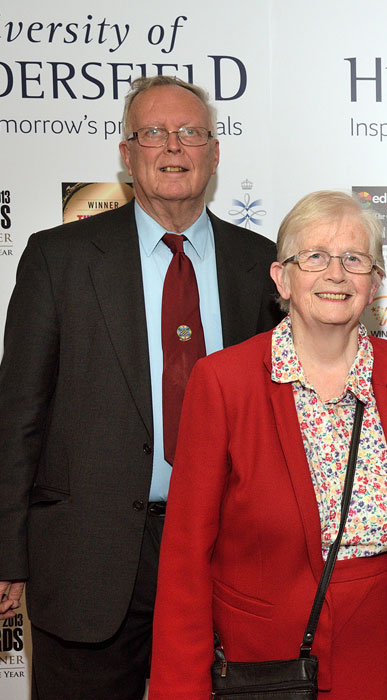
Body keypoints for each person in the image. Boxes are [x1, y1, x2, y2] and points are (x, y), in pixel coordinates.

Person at [0, 76, 280, 699]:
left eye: (191, 133)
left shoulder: (260, 265)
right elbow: (19, 413)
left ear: (215, 152)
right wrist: (7, 554)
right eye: (153, 133)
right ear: (126, 155)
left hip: (225, 553)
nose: (173, 147)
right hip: (86, 557)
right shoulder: (58, 258)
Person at [149, 190, 387, 699]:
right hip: (264, 664)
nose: (336, 274)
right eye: (315, 257)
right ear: (282, 277)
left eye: (354, 259)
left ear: (375, 283)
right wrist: (182, 689)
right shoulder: (223, 382)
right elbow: (186, 555)